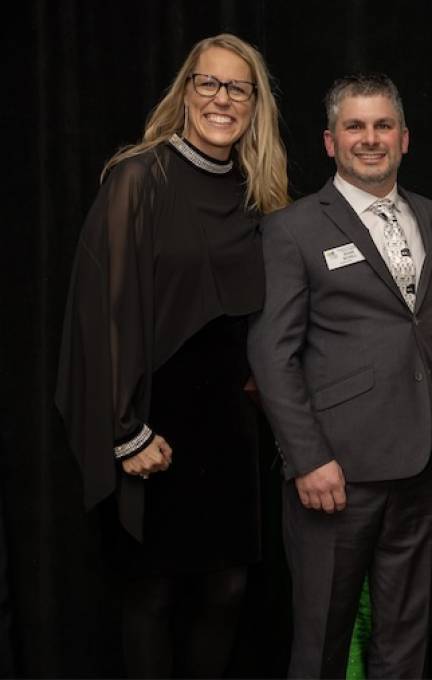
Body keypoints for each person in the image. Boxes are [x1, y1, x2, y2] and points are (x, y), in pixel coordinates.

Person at [55, 33, 289, 677]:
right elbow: (98, 310)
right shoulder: (140, 177)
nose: (222, 98)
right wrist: (126, 432)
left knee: (227, 591)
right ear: (186, 92)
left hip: (227, 428)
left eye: (237, 87)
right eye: (207, 83)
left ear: (254, 103)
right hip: (152, 417)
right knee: (151, 594)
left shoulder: (255, 193)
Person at [246, 73, 432, 679]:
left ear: (405, 138)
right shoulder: (293, 228)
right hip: (336, 472)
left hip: (423, 464)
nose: (371, 138)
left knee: (405, 641)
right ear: (330, 142)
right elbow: (270, 354)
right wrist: (306, 459)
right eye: (355, 126)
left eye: (383, 125)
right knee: (322, 642)